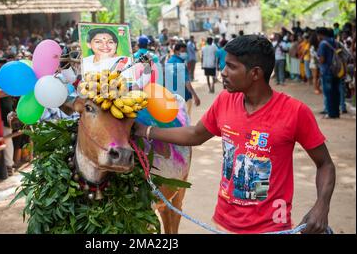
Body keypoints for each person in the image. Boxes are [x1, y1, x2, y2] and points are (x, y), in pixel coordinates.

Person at [135, 35, 336, 234]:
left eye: (231, 66)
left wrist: (322, 206)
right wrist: (146, 131)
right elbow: (195, 135)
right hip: (225, 222)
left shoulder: (295, 112)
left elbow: (325, 164)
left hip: (272, 226)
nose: (222, 72)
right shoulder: (224, 101)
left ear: (255, 73)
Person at [165, 42, 200, 118]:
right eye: (182, 51)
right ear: (176, 51)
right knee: (185, 119)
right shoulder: (180, 63)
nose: (185, 53)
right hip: (184, 97)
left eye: (185, 51)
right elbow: (186, 82)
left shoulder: (169, 61)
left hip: (171, 95)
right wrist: (195, 95)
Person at [317, 27, 340, 119]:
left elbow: (322, 59)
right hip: (336, 70)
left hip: (327, 71)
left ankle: (331, 113)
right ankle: (336, 112)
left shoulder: (323, 43)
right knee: (336, 92)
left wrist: (317, 59)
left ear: (320, 34)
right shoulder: (334, 41)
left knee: (328, 93)